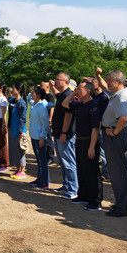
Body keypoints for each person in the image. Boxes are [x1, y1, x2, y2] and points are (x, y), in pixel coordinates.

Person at [96, 68, 127, 217]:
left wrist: (115, 132)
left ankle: (122, 207)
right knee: (116, 172)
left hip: (116, 135)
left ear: (118, 82)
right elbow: (104, 87)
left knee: (119, 173)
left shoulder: (121, 96)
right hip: (113, 135)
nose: (108, 83)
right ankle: (120, 204)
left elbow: (123, 118)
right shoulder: (117, 94)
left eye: (110, 80)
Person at [63, 81, 103, 211]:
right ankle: (83, 196)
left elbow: (95, 128)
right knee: (81, 169)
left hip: (89, 141)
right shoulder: (80, 105)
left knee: (92, 171)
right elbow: (65, 104)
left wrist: (91, 147)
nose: (77, 91)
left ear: (88, 91)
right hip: (79, 141)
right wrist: (73, 93)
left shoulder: (93, 106)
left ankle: (95, 201)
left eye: (80, 89)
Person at [49, 72, 78, 200]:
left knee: (69, 162)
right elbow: (56, 94)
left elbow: (68, 116)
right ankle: (66, 185)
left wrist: (64, 133)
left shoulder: (68, 95)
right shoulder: (62, 95)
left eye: (57, 79)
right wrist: (51, 86)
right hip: (57, 134)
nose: (55, 81)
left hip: (64, 135)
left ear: (66, 82)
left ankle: (73, 189)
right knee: (62, 162)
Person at [28, 87, 51, 189]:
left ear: (38, 95)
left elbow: (45, 124)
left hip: (39, 137)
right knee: (39, 160)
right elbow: (29, 98)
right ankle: (39, 179)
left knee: (43, 160)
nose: (31, 93)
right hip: (34, 136)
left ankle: (45, 182)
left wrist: (42, 137)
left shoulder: (41, 107)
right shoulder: (34, 104)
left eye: (33, 92)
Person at [7, 83, 28, 180]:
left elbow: (23, 118)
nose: (12, 89)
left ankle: (22, 171)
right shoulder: (13, 100)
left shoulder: (21, 103)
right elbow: (9, 99)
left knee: (20, 150)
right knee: (14, 150)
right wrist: (9, 92)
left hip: (18, 130)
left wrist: (20, 131)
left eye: (14, 88)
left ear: (18, 90)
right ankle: (18, 169)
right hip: (12, 128)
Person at [92, 76, 110, 180]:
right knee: (96, 149)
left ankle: (106, 172)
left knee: (103, 150)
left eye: (94, 82)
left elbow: (105, 113)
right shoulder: (92, 96)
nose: (92, 84)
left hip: (101, 126)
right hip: (93, 126)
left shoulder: (104, 97)